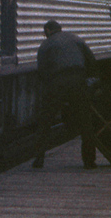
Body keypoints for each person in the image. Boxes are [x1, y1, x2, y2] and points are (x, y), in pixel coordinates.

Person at [33, 20, 99, 169]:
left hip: (57, 82)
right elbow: (91, 61)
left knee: (45, 121)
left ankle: (38, 159)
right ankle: (89, 161)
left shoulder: (46, 45)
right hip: (78, 80)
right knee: (86, 121)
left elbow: (42, 70)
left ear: (48, 31)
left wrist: (49, 89)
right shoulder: (76, 39)